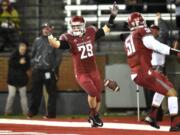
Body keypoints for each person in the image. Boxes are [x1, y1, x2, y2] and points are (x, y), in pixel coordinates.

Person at [48, 3, 119, 127]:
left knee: (98, 97)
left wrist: (112, 16)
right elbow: (57, 44)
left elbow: (106, 29)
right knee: (92, 92)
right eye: (73, 26)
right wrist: (49, 36)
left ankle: (94, 117)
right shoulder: (68, 37)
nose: (75, 28)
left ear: (83, 26)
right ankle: (94, 114)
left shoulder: (90, 32)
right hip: (81, 72)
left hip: (93, 70)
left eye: (78, 26)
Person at [124, 12, 180, 132]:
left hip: (136, 73)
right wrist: (176, 52)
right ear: (140, 22)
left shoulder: (129, 37)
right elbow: (155, 45)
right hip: (144, 71)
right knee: (172, 92)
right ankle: (174, 124)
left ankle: (152, 116)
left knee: (162, 88)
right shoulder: (141, 32)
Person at [27, 22, 63, 119]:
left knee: (52, 93)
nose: (46, 30)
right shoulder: (37, 40)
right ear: (41, 29)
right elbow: (32, 55)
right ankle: (32, 112)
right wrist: (33, 65)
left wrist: (54, 68)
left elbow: (59, 57)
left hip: (50, 71)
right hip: (37, 71)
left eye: (47, 28)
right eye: (44, 28)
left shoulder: (55, 40)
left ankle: (51, 114)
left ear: (51, 30)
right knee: (35, 92)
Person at [143, 25, 165, 121]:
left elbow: (165, 32)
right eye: (152, 30)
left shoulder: (161, 40)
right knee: (149, 92)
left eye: (155, 30)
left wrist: (160, 20)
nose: (153, 31)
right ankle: (151, 113)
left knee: (158, 92)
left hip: (158, 68)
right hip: (149, 68)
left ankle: (158, 114)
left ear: (158, 31)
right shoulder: (148, 41)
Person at [5, 41, 30, 115]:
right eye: (21, 46)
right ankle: (7, 112)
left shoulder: (27, 56)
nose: (23, 48)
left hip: (22, 80)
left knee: (23, 97)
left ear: (26, 48)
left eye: (24, 46)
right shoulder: (13, 55)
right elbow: (11, 64)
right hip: (12, 80)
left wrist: (23, 64)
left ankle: (26, 112)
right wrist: (19, 62)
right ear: (19, 47)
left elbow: (27, 67)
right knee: (11, 96)